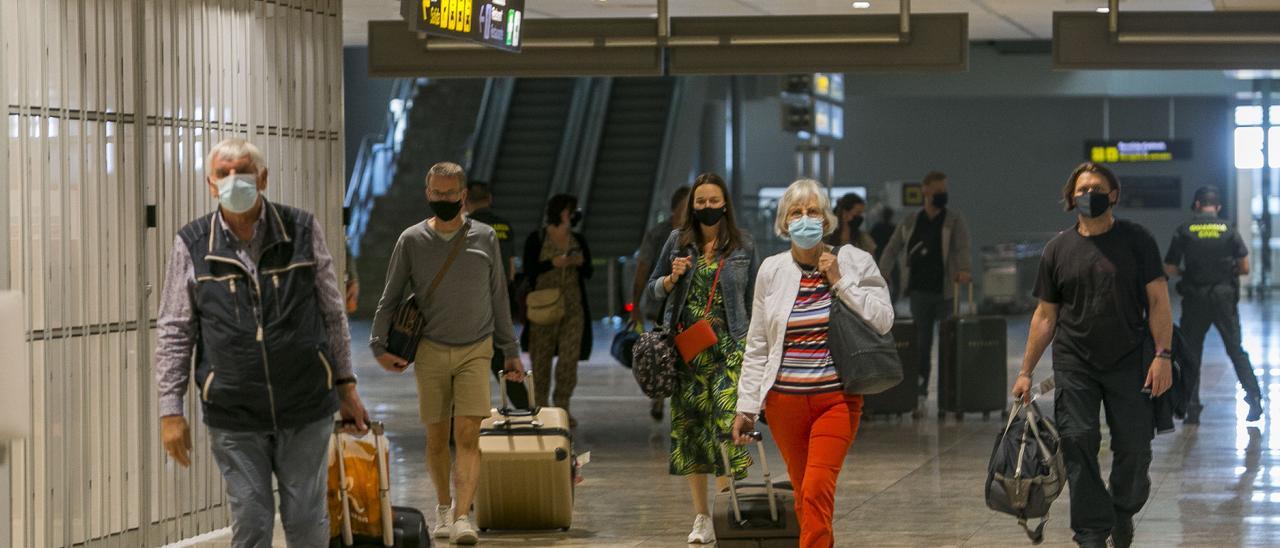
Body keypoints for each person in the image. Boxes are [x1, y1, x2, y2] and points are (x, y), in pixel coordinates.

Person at [154, 138, 370, 547]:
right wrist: (170, 410)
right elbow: (174, 328)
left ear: (263, 178)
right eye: (224, 173)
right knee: (252, 518)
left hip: (305, 403)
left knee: (306, 519)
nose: (234, 180)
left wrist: (346, 383)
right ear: (211, 184)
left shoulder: (302, 231)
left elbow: (332, 312)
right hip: (233, 410)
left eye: (243, 171)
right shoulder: (194, 244)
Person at [1012, 162, 1173, 548]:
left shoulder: (1137, 240)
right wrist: (1025, 370)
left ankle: (1122, 511)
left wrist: (1163, 355)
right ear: (1071, 198)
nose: (1089, 195)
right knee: (1078, 441)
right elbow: (1045, 316)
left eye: (1097, 188)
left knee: (1134, 449)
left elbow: (1158, 301)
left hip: (1131, 358)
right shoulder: (1058, 249)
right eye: (1082, 190)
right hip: (1075, 362)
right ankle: (1090, 532)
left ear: (1113, 194)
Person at [370, 162, 525, 545]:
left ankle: (462, 517)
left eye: (449, 194)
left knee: (468, 434)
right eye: (436, 194)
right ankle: (443, 506)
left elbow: (498, 296)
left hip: (477, 347)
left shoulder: (485, 237)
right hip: (431, 349)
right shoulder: (411, 240)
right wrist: (378, 345)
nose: (443, 199)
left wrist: (510, 350)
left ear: (463, 196)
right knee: (437, 438)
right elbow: (389, 297)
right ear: (428, 194)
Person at [732, 178, 894, 547]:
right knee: (806, 494)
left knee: (818, 486)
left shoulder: (853, 260)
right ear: (784, 222)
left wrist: (839, 281)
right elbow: (757, 343)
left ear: (827, 219)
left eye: (813, 211)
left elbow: (883, 319)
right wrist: (747, 406)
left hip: (835, 400)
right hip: (784, 404)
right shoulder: (772, 270)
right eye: (796, 212)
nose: (805, 219)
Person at [644, 173, 757, 544]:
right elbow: (650, 292)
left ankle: (725, 510)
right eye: (701, 201)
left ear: (725, 204)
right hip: (688, 353)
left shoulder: (743, 247)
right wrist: (669, 280)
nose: (707, 207)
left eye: (713, 201)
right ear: (692, 205)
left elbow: (755, 301)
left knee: (726, 428)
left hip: (729, 350)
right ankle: (701, 517)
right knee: (692, 432)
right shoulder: (678, 242)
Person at [1163, 185, 1264, 424]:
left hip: (1195, 297)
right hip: (1223, 298)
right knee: (1235, 350)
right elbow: (1245, 267)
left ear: (1197, 205)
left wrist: (1188, 274)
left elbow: (1169, 268)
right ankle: (1254, 400)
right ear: (1217, 206)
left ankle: (1191, 406)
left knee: (1192, 352)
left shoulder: (1185, 230)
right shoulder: (1229, 229)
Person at [877, 171, 972, 418]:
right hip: (920, 291)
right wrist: (882, 271)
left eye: (944, 191)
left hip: (946, 291)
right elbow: (892, 247)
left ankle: (950, 396)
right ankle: (919, 394)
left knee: (949, 344)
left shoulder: (953, 220)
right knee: (922, 344)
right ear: (926, 192)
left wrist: (964, 270)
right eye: (938, 191)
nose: (943, 195)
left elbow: (962, 246)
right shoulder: (911, 221)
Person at [522, 194, 594, 426]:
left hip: (573, 307)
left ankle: (562, 405)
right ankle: (541, 407)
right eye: (571, 210)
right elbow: (529, 269)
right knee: (540, 358)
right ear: (562, 212)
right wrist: (552, 263)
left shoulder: (578, 239)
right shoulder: (537, 238)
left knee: (569, 359)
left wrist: (580, 263)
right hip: (543, 306)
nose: (573, 215)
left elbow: (589, 271)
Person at [466, 180, 529, 410]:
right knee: (504, 357)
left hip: (474, 302)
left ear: (465, 200)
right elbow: (511, 267)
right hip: (502, 299)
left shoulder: (465, 226)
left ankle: (458, 422)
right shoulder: (504, 226)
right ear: (489, 199)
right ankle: (525, 410)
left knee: (466, 362)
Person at [634, 184, 692, 420]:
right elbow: (643, 270)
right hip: (661, 310)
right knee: (661, 355)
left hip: (689, 314)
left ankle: (682, 401)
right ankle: (659, 397)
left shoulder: (701, 236)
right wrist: (634, 305)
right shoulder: (660, 234)